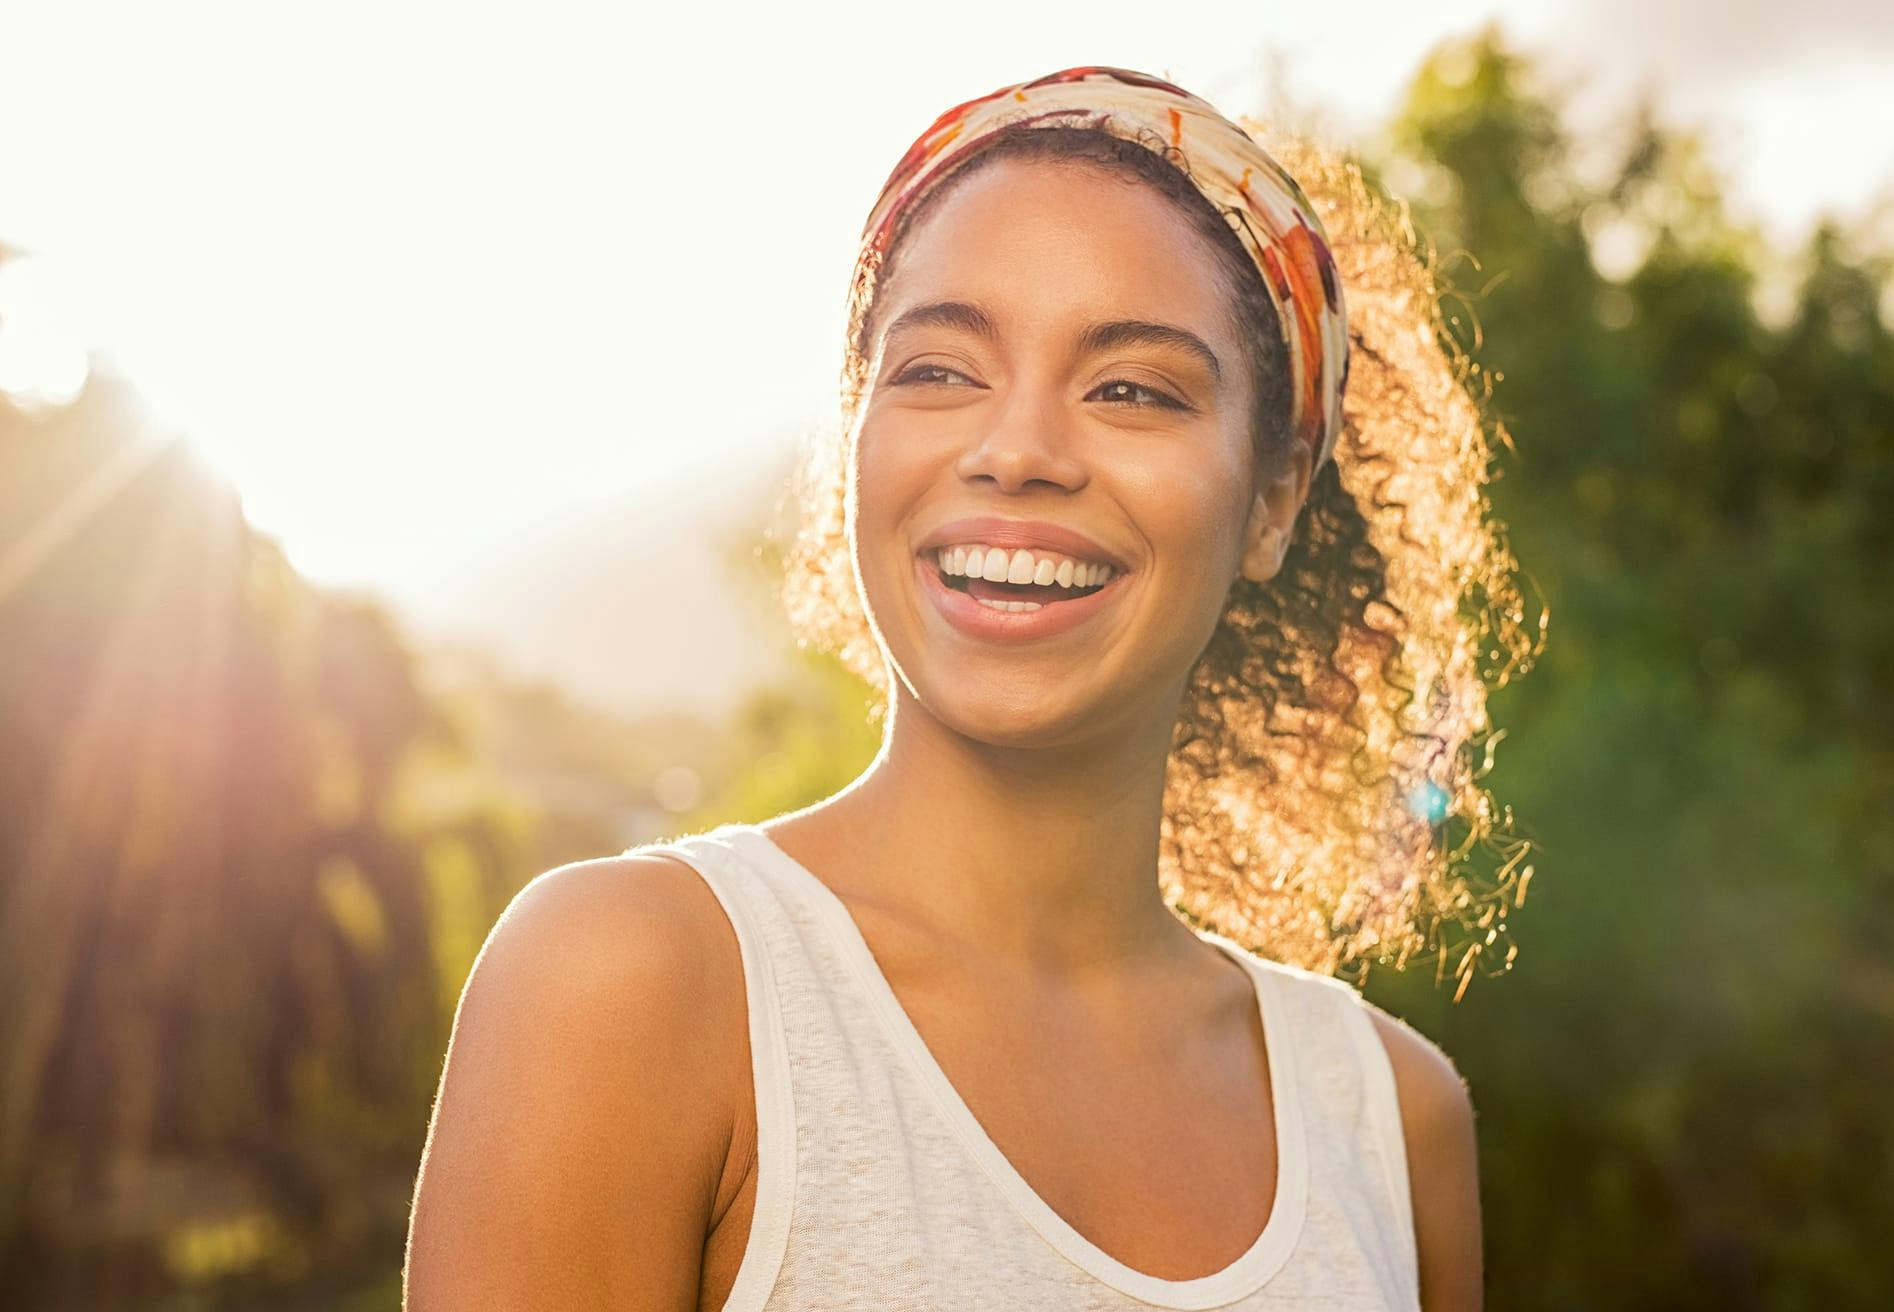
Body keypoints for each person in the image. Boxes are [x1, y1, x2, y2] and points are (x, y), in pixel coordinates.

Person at [407, 64, 1525, 1311]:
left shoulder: (1390, 1119)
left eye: (1133, 389)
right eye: (939, 370)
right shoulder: (630, 984)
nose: (1017, 451)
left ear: (1272, 497)